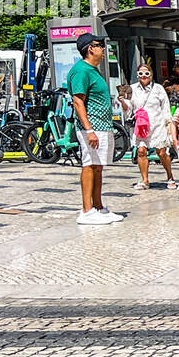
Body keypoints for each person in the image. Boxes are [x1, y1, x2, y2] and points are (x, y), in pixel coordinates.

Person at [67, 33, 123, 226]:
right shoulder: (81, 70)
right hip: (92, 127)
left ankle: (98, 206)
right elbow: (78, 101)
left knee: (98, 166)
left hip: (102, 125)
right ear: (90, 48)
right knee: (89, 164)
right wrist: (89, 129)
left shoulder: (93, 70)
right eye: (100, 45)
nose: (103, 49)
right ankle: (87, 210)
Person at [128, 64, 178, 191]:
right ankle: (145, 180)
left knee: (161, 152)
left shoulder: (158, 89)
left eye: (146, 73)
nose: (143, 76)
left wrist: (168, 124)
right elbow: (128, 108)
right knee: (141, 151)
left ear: (151, 74)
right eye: (141, 74)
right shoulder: (132, 89)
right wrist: (123, 101)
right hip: (140, 125)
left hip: (157, 124)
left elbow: (165, 107)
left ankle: (170, 176)